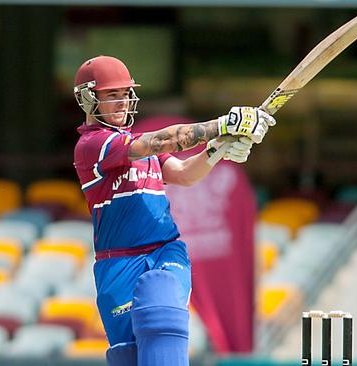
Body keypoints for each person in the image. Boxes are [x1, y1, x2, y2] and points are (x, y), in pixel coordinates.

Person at [72, 55, 275, 366]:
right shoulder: (93, 146)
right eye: (112, 95)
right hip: (117, 264)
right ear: (88, 99)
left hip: (165, 251)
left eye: (125, 93)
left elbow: (184, 174)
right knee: (128, 356)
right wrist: (221, 125)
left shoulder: (137, 145)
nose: (122, 102)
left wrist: (219, 146)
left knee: (161, 315)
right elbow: (162, 141)